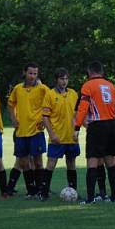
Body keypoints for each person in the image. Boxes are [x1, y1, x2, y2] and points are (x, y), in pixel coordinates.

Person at [74, 61, 115, 204]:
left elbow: (83, 108)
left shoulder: (87, 86)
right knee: (110, 161)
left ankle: (90, 198)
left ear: (89, 72)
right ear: (102, 72)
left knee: (92, 160)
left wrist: (77, 128)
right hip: (112, 125)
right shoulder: (111, 86)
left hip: (97, 126)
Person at [6, 62, 49, 198]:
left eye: (35, 73)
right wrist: (13, 119)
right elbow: (10, 104)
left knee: (38, 161)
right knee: (24, 162)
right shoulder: (18, 89)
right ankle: (31, 191)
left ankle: (41, 190)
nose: (32, 76)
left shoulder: (43, 89)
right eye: (30, 73)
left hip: (36, 131)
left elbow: (53, 103)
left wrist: (44, 118)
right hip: (21, 131)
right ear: (24, 72)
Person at [40, 68, 80, 198]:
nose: (64, 81)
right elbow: (45, 117)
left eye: (66, 78)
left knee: (71, 164)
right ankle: (44, 193)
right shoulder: (50, 94)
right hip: (57, 137)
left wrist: (77, 130)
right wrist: (52, 135)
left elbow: (78, 114)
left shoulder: (73, 94)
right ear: (56, 80)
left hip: (71, 136)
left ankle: (73, 192)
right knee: (51, 164)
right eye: (62, 78)